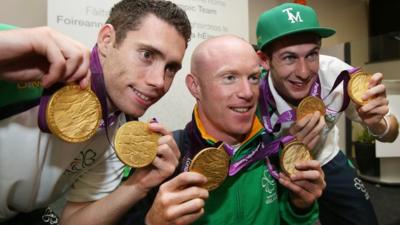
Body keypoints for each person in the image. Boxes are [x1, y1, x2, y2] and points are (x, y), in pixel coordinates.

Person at [0, 1, 191, 225]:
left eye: (170, 68)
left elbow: (72, 220)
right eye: (147, 55)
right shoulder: (31, 58)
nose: (159, 81)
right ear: (107, 40)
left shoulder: (121, 133)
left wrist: (139, 184)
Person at [119, 35, 325, 225]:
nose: (247, 93)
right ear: (195, 86)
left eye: (253, 78)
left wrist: (301, 207)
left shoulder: (275, 150)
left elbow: (295, 219)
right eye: (229, 78)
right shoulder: (164, 161)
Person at [255, 3, 399, 225]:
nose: (304, 72)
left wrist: (378, 125)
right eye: (289, 58)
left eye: (312, 55)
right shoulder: (251, 96)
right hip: (274, 169)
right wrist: (287, 145)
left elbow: (392, 133)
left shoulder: (339, 77)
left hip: (327, 159)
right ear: (265, 60)